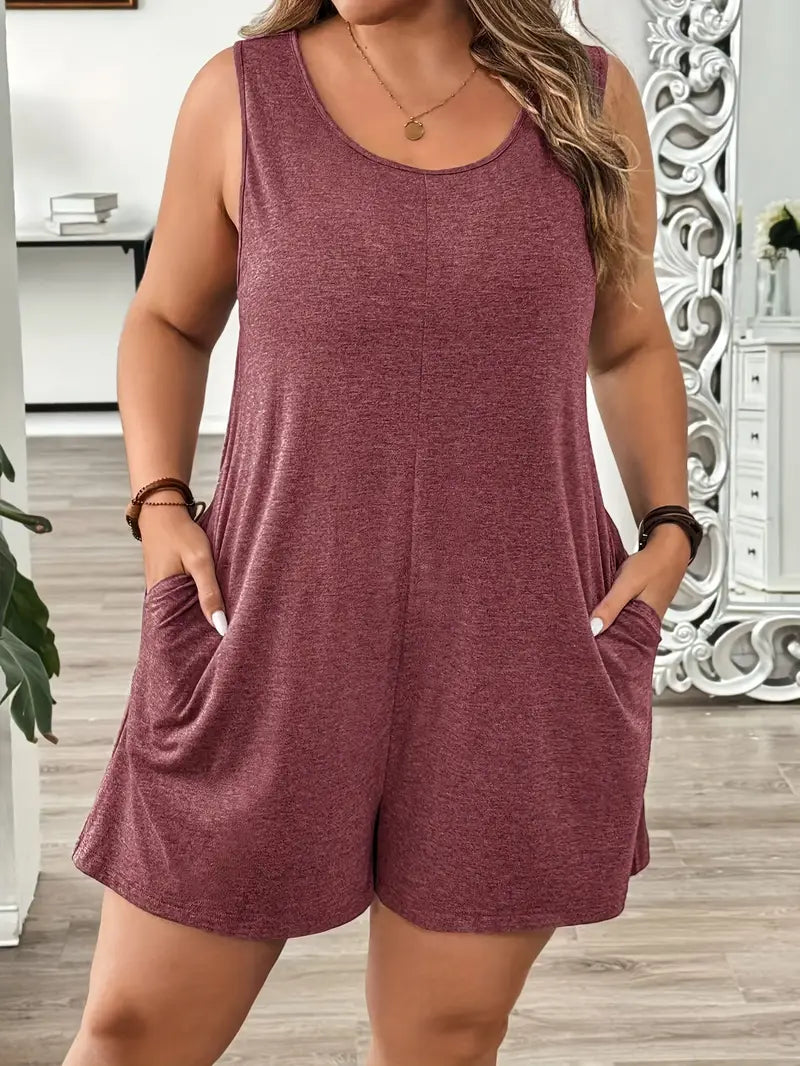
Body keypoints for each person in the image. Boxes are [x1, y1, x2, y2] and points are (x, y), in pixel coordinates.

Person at [64, 1, 700, 1064]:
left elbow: (629, 340)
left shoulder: (584, 99)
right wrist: (160, 501)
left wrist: (669, 526)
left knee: (443, 1037)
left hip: (519, 642)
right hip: (266, 623)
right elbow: (168, 319)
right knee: (138, 1031)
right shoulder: (241, 96)